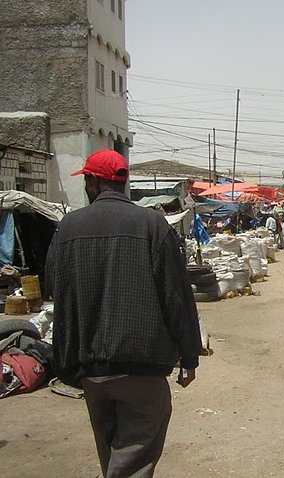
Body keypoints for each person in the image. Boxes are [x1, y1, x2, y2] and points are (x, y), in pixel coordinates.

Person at [45, 149, 201, 478]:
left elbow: (55, 291)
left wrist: (65, 359)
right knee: (132, 460)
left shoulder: (69, 228)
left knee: (114, 454)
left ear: (92, 182)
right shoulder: (152, 225)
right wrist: (189, 358)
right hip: (142, 367)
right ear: (123, 181)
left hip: (92, 368)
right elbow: (177, 296)